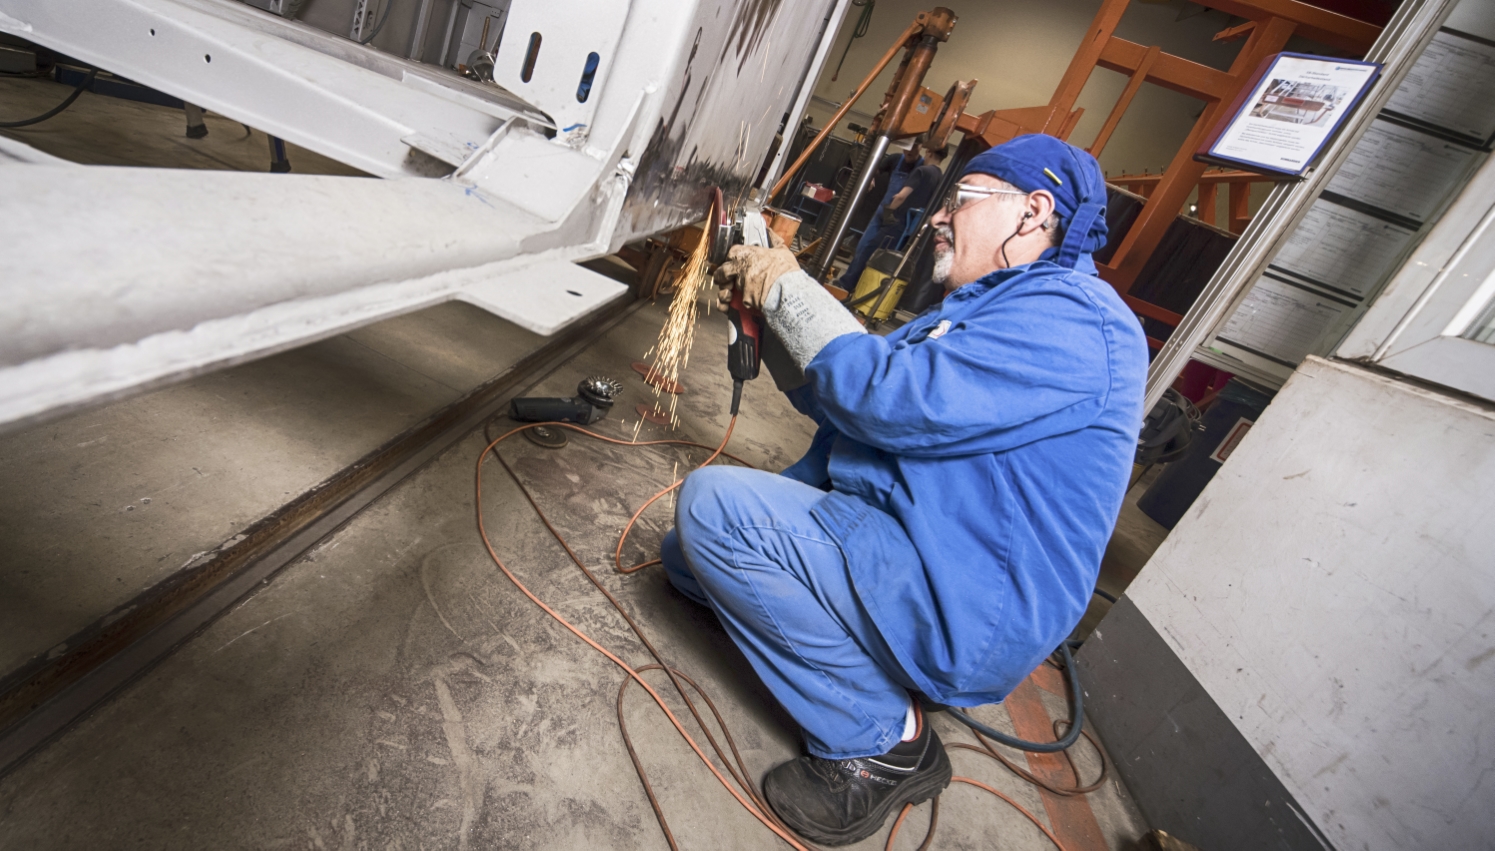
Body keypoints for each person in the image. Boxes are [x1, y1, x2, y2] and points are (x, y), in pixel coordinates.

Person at [659, 134, 1146, 846]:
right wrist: (775, 319)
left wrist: (790, 287)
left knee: (716, 510)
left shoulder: (1077, 320)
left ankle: (884, 740)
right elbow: (855, 404)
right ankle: (872, 658)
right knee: (686, 558)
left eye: (960, 201)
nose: (936, 218)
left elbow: (887, 398)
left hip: (965, 597)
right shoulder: (984, 309)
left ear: (1033, 211)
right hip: (908, 545)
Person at [833, 143, 947, 292]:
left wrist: (889, 212)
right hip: (899, 219)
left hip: (894, 217)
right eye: (906, 148)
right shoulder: (937, 175)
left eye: (914, 148)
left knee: (870, 251)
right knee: (867, 250)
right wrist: (871, 178)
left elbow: (900, 196)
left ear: (925, 150)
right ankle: (857, 286)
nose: (909, 152)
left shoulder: (921, 170)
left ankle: (849, 284)